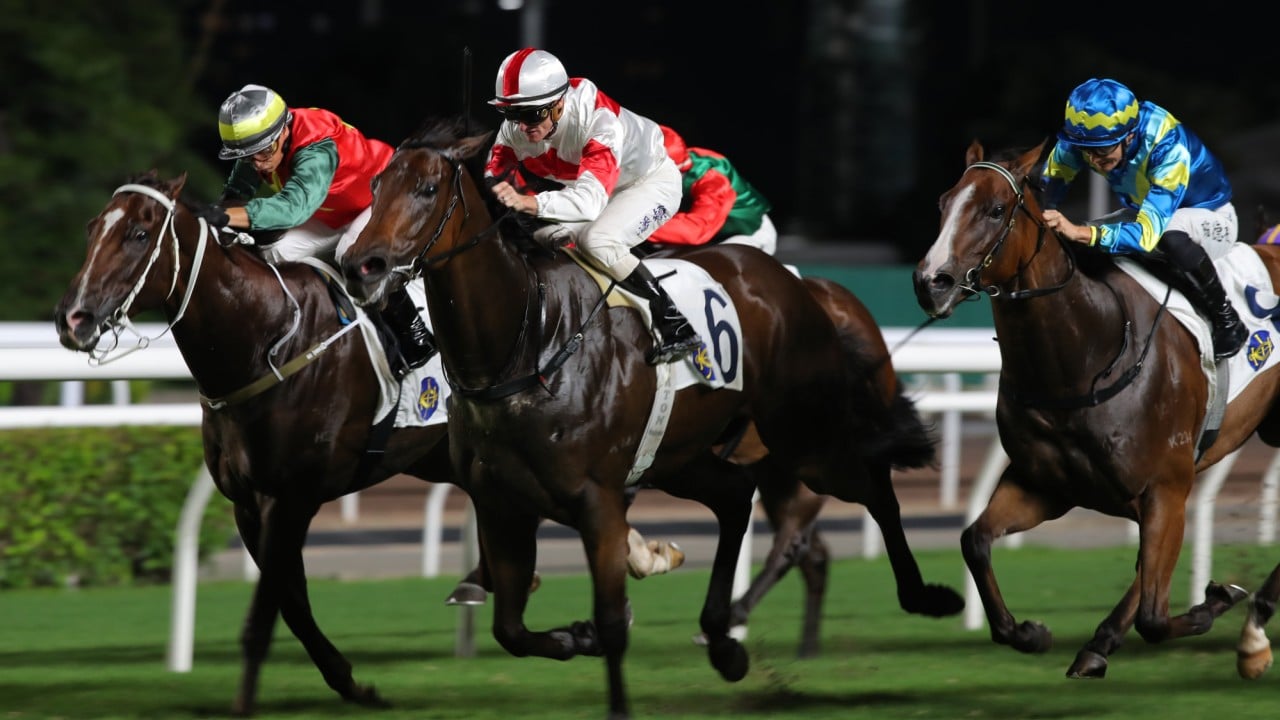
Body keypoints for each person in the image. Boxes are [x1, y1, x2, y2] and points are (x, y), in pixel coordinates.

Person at [197, 83, 435, 375]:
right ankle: (305, 332)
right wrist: (218, 215)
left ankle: (414, 335)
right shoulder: (260, 142)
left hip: (381, 198)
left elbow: (293, 208)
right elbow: (236, 194)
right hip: (333, 208)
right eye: (247, 156)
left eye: (263, 151)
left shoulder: (316, 145)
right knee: (275, 251)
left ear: (284, 130)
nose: (258, 163)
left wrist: (230, 216)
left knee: (351, 253)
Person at [483, 48, 701, 365]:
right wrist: (518, 208)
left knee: (597, 241)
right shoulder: (520, 125)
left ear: (559, 105)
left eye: (532, 115)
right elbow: (494, 173)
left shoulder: (600, 122)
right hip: (596, 187)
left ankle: (675, 322)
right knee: (546, 237)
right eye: (513, 115)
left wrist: (529, 202)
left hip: (649, 183)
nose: (523, 127)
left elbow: (589, 202)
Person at [1039, 77, 1247, 360]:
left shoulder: (1168, 147)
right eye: (1085, 149)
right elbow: (1049, 186)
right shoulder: (1087, 137)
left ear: (1129, 136)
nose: (1092, 159)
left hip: (1212, 219)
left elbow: (1146, 235)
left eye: (1102, 150)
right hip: (1149, 212)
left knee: (1166, 235)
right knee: (1079, 242)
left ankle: (1227, 319)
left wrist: (1078, 232)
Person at [647, 125, 777, 255]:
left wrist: (636, 227)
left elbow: (695, 230)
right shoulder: (672, 161)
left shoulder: (714, 181)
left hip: (746, 233)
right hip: (702, 233)